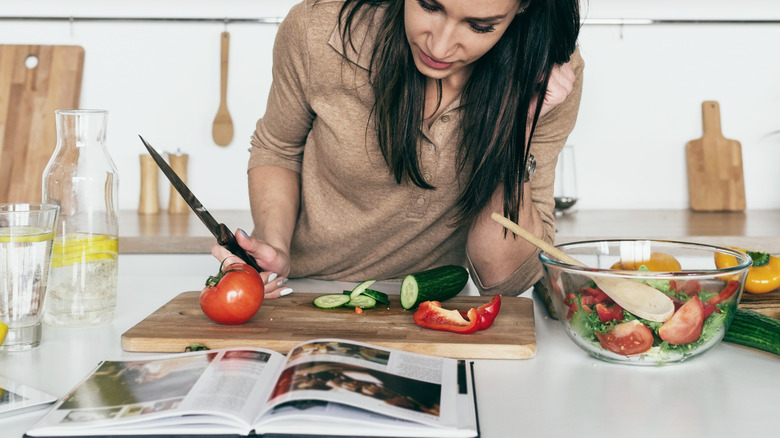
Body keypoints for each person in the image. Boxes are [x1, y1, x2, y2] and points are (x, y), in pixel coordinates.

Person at [213, 0, 584, 298]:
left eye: (479, 26)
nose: (438, 45)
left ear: (522, 8)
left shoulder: (547, 72)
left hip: (435, 304)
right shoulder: (318, 30)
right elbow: (278, 148)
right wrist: (275, 247)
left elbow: (501, 279)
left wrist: (519, 124)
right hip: (305, 290)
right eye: (428, 5)